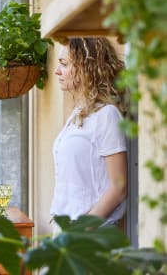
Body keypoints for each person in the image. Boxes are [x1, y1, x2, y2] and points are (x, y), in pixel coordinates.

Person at [50, 37, 128, 230]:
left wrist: (82, 230)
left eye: (65, 64)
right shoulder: (78, 113)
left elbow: (119, 188)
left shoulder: (107, 115)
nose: (57, 71)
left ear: (87, 67)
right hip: (67, 230)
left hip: (90, 236)